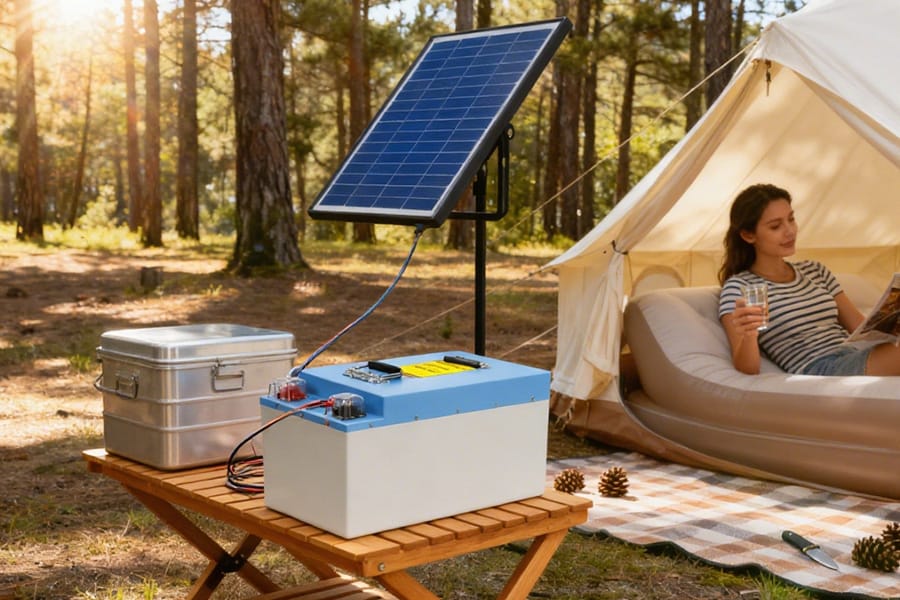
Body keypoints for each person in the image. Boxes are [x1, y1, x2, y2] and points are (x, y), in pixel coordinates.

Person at [717, 183, 900, 376]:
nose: (790, 231)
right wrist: (749, 335)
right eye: (776, 226)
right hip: (820, 368)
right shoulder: (740, 287)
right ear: (748, 235)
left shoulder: (815, 271)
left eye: (791, 219)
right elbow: (747, 368)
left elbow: (860, 328)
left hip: (857, 353)